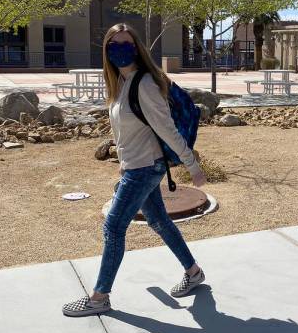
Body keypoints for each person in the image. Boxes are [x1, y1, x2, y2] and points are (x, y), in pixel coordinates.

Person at [63, 23, 207, 317]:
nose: (120, 49)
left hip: (145, 169)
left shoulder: (143, 84)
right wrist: (123, 164)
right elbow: (127, 133)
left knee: (114, 227)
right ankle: (193, 272)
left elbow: (166, 130)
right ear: (106, 50)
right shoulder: (122, 83)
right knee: (159, 221)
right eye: (113, 44)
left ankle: (100, 297)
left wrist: (192, 166)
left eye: (126, 43)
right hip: (138, 166)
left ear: (136, 48)